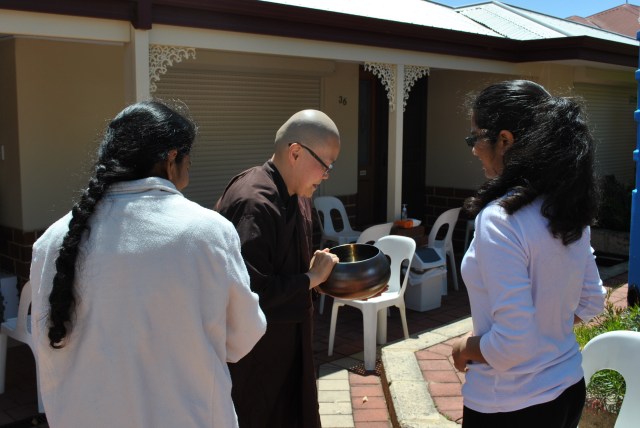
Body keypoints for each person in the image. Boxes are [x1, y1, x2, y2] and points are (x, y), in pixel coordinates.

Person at [29, 101, 266, 428]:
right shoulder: (206, 232)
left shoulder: (52, 241)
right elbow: (243, 337)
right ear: (171, 158)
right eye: (188, 158)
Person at [451, 80, 606, 428]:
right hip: (567, 388)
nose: (474, 148)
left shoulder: (500, 220)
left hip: (509, 403)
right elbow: (592, 300)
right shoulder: (565, 208)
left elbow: (512, 344)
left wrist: (466, 348)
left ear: (504, 140)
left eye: (475, 136)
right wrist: (547, 331)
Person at [215, 109, 341, 428]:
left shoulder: (299, 196)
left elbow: (303, 264)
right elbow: (250, 292)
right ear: (295, 152)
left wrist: (327, 277)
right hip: (254, 356)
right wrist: (311, 278)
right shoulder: (254, 202)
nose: (327, 174)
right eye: (325, 164)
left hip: (290, 345)